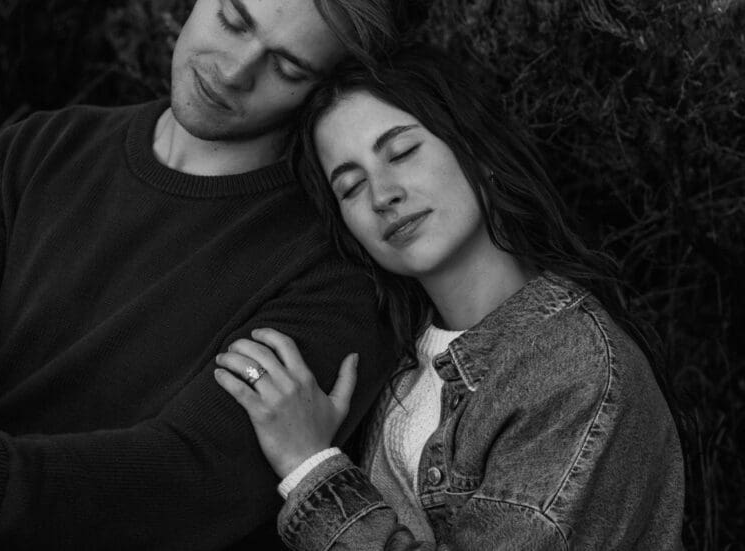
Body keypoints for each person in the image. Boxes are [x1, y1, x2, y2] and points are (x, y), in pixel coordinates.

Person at [0, 2, 431, 549]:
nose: (235, 68)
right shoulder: (45, 147)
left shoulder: (334, 262)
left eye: (288, 67)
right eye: (234, 19)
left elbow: (191, 483)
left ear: (324, 91)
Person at [213, 47, 685, 550]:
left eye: (401, 152)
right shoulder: (390, 348)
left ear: (475, 148)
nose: (382, 195)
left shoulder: (575, 373)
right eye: (350, 187)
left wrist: (310, 467)